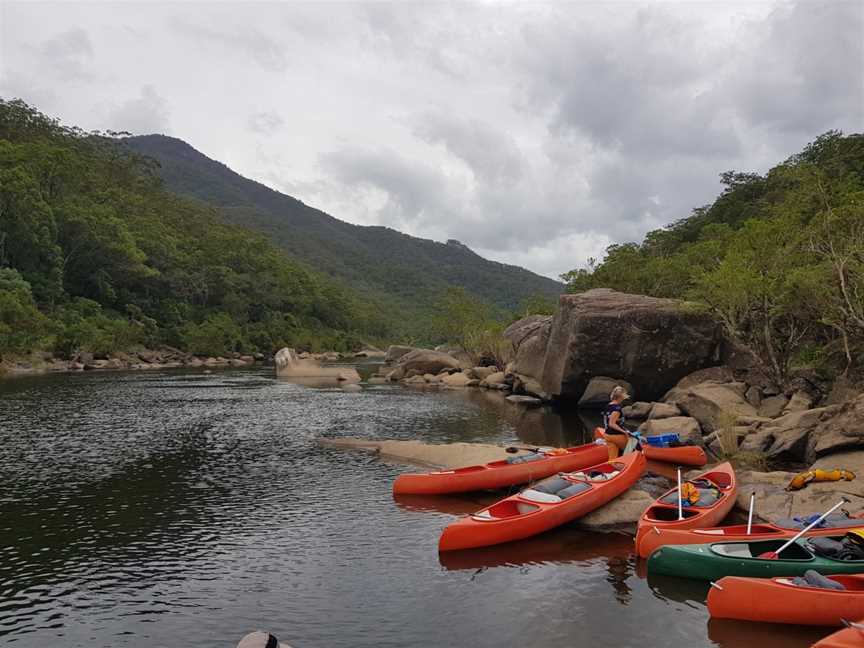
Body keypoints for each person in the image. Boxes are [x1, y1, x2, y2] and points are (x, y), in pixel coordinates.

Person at [603, 385, 632, 460]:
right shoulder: (617, 408)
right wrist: (624, 432)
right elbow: (611, 423)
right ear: (620, 397)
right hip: (616, 435)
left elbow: (609, 419)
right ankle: (630, 466)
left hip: (607, 435)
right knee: (634, 446)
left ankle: (614, 470)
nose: (623, 399)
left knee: (613, 459)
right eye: (623, 397)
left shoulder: (608, 406)